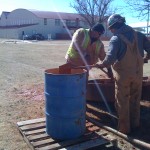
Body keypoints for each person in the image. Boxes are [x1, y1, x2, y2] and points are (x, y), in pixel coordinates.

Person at [96, 14, 150, 134]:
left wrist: (101, 64)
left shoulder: (116, 39)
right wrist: (145, 58)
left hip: (123, 77)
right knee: (135, 99)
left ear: (114, 26)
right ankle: (135, 124)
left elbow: (109, 60)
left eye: (111, 28)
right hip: (138, 74)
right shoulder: (139, 35)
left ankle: (124, 129)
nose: (111, 31)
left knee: (122, 101)